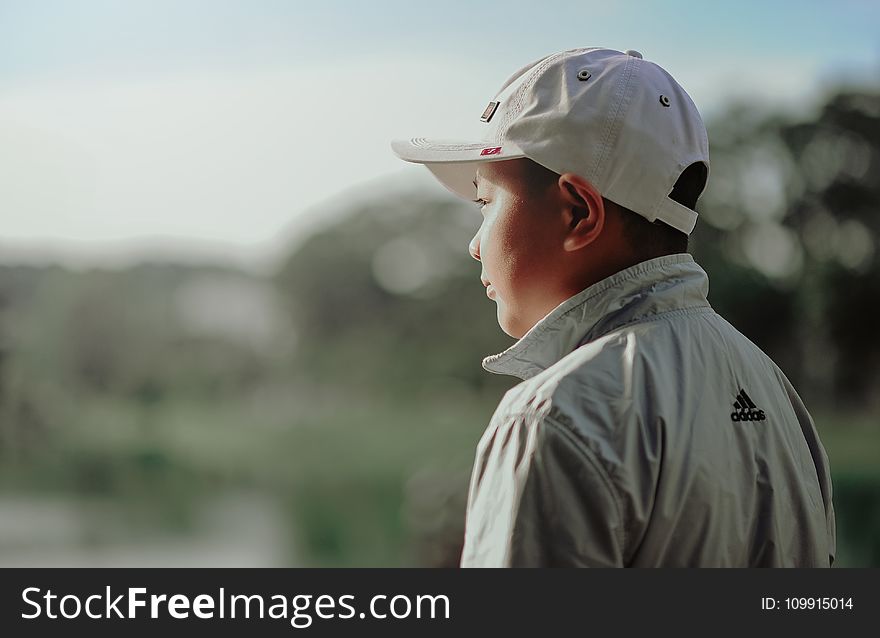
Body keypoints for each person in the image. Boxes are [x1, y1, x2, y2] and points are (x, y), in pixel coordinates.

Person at [391, 47, 836, 567]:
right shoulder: (774, 390)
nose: (475, 244)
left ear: (578, 212)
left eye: (486, 204)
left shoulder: (552, 417)